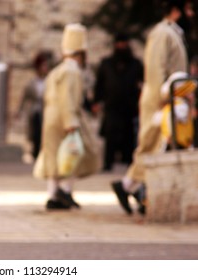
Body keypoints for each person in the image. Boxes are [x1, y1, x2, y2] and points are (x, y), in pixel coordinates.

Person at [111, 0, 193, 216]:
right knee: (153, 144)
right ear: (176, 10)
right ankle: (134, 188)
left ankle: (134, 188)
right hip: (162, 98)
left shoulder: (172, 33)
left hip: (172, 98)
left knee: (162, 145)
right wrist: (161, 99)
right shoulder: (161, 33)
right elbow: (156, 67)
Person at [33, 23, 99, 210]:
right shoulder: (72, 71)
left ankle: (53, 196)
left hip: (51, 119)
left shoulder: (58, 70)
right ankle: (65, 190)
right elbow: (68, 98)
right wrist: (71, 122)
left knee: (55, 158)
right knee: (73, 155)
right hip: (65, 118)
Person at [93, 33, 143, 171]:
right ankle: (108, 163)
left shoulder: (135, 64)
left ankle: (129, 162)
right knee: (110, 134)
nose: (121, 46)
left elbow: (143, 83)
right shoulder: (107, 63)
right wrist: (97, 101)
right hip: (112, 105)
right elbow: (99, 84)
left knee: (129, 134)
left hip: (129, 105)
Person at [17, 51, 54, 160]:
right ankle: (36, 154)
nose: (45, 68)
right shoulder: (32, 83)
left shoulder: (50, 81)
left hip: (46, 111)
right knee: (35, 134)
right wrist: (20, 111)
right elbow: (24, 98)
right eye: (43, 66)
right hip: (35, 112)